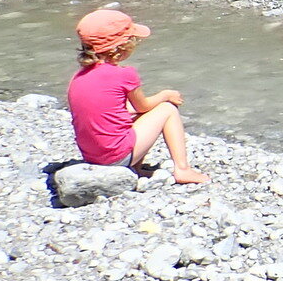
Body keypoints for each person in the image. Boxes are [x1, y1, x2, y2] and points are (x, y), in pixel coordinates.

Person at [67, 9, 210, 184]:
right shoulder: (124, 74)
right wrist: (166, 95)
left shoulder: (79, 77)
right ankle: (183, 170)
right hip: (115, 158)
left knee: (130, 114)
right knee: (167, 109)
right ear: (120, 48)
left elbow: (112, 110)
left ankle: (136, 168)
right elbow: (144, 106)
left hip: (92, 157)